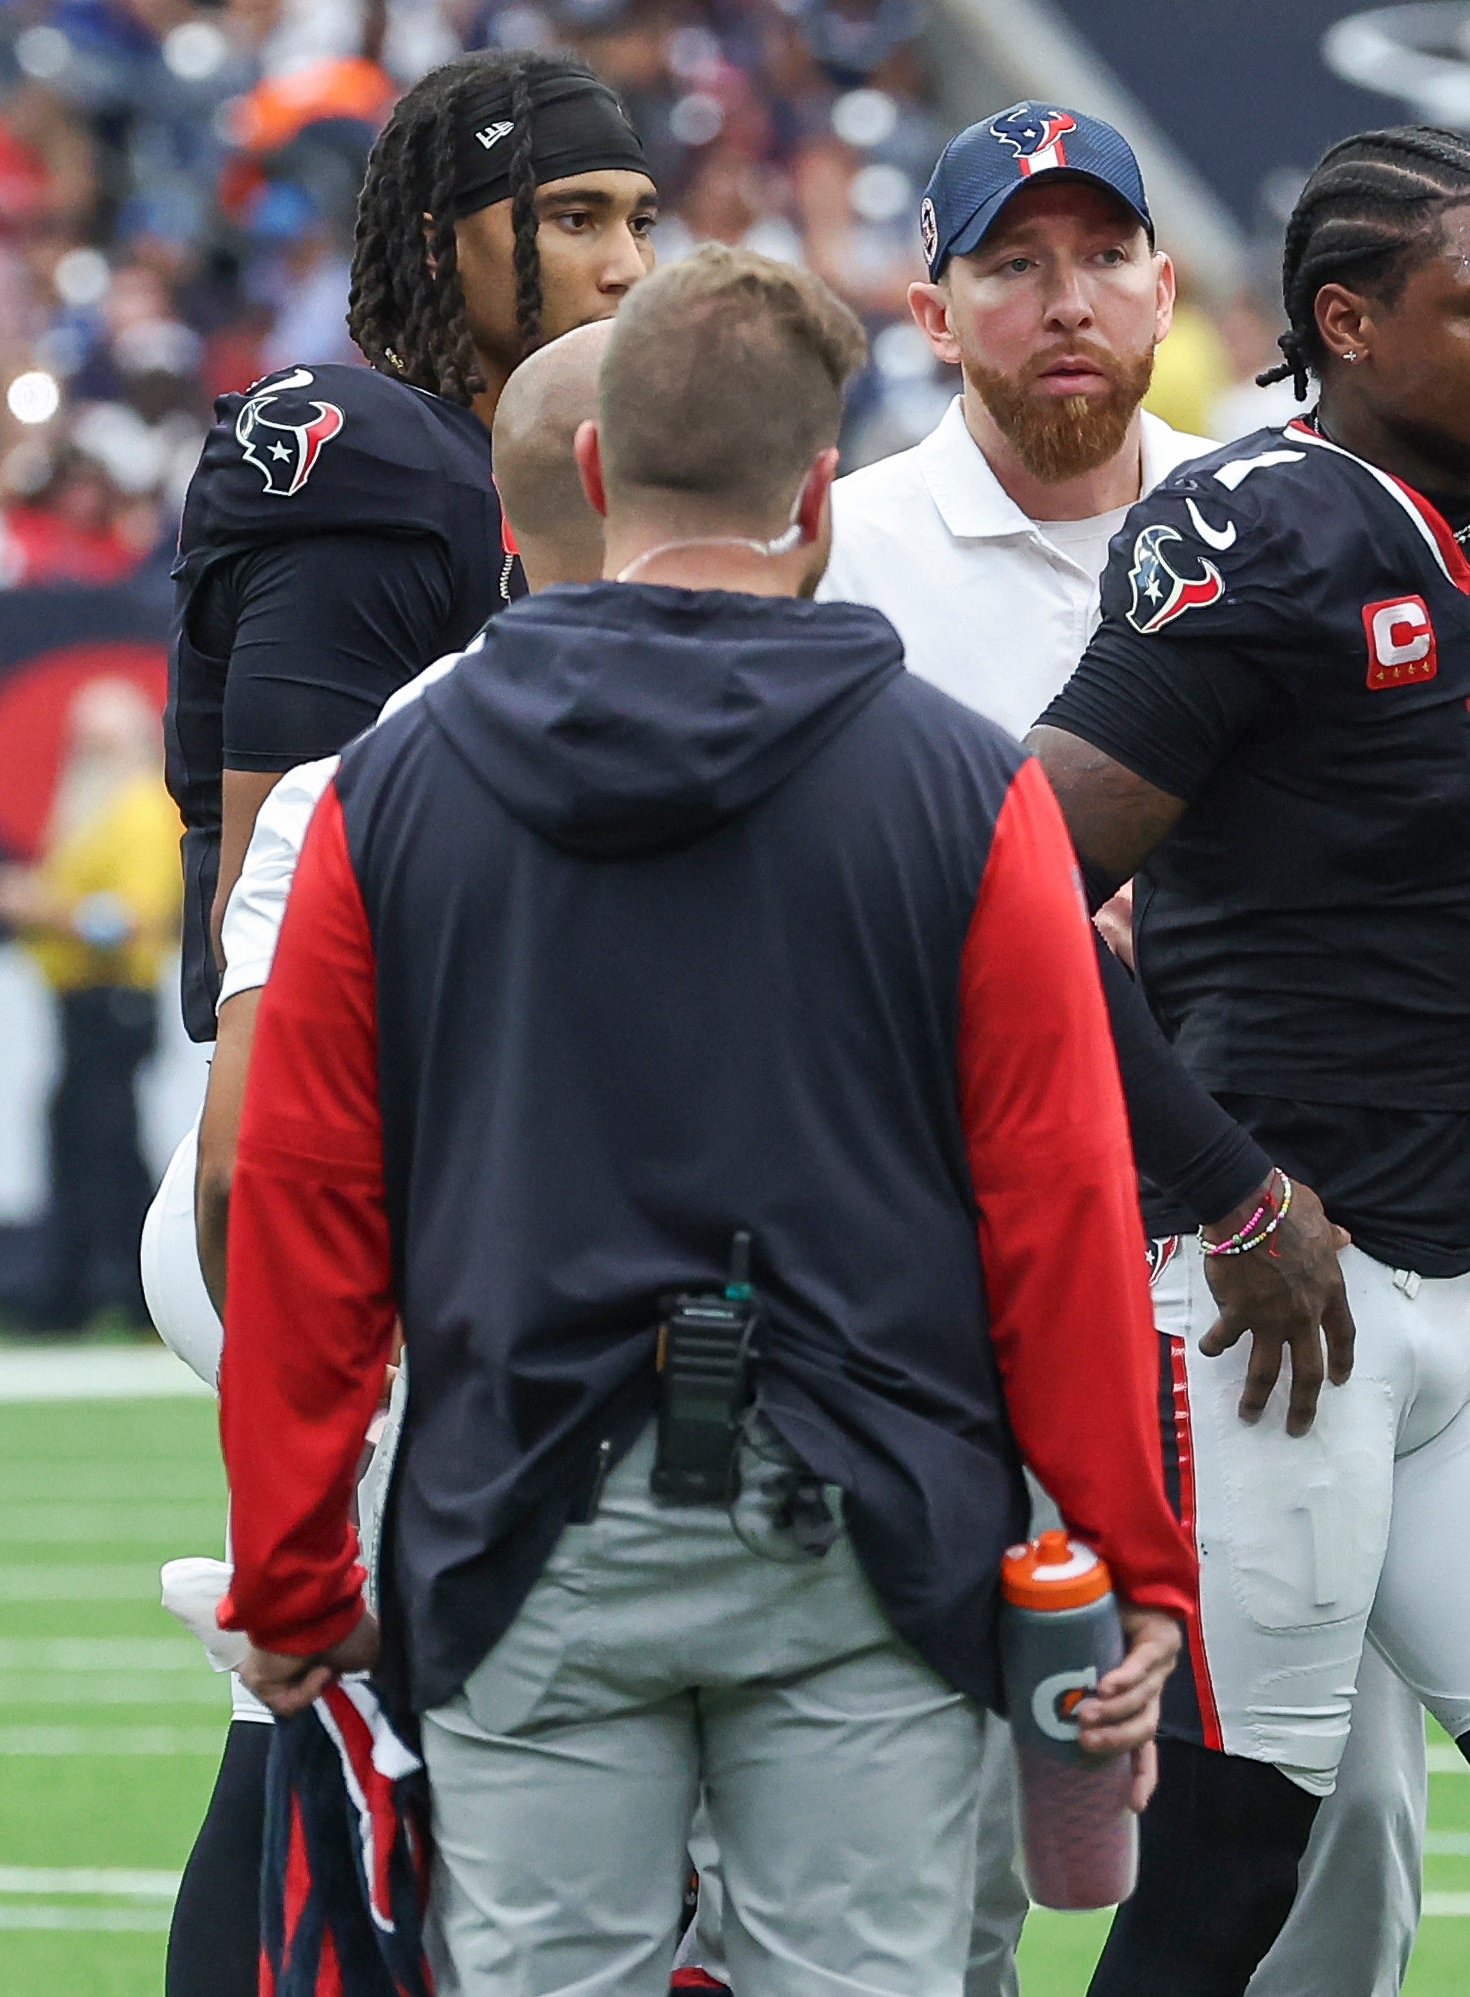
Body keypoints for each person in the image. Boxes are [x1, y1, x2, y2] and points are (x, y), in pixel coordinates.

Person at [217, 244, 1195, 1994]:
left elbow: (300, 1202)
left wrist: (295, 1561)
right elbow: (1059, 1204)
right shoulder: (964, 787)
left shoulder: (389, 789)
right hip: (875, 1515)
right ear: (819, 491)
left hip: (519, 1501)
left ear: (591, 476)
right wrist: (1135, 1559)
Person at [1031, 125, 1470, 1997]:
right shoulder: (1260, 532)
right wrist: (1230, 1192)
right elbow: (1005, 898)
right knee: (1233, 1859)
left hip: (1457, 1270)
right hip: (1252, 1295)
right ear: (1349, 325)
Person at [819, 101, 1421, 1997]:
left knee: (1340, 1818)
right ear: (933, 308)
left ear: (1170, 283)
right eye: (1013, 264)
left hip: (1265, 1247)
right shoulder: (851, 557)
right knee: (963, 1831)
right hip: (949, 1266)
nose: (1064, 302)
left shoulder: (1291, 505)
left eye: (1100, 258)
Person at [141, 320, 634, 1997]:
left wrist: (300, 1532)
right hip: (568, 1353)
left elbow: (246, 1178)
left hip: (467, 1323)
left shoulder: (372, 773)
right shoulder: (883, 740)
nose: (621, 257)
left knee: (379, 1790)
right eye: (582, 213)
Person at [163, 46, 656, 1049]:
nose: (629, 267)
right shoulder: (378, 460)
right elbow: (270, 919)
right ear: (439, 247)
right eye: (575, 218)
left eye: (640, 221)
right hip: (379, 1123)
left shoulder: (593, 484)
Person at [0, 676, 181, 1335]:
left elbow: (132, 920)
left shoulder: (138, 811)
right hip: (87, 1001)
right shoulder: (97, 814)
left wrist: (41, 908)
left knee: (103, 1144)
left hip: (114, 998)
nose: (85, 755)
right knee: (92, 1142)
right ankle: (101, 1290)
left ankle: (117, 1291)